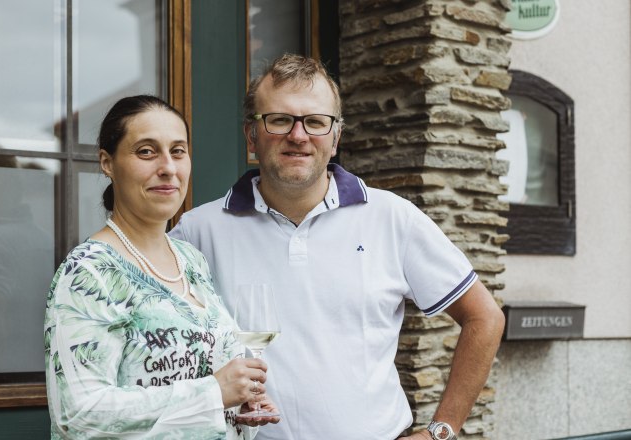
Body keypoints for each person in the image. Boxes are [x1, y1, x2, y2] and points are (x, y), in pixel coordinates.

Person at [170, 54, 506, 440]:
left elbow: (485, 317)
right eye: (279, 120)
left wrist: (442, 430)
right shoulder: (198, 232)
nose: (298, 136)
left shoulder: (392, 217)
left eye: (315, 122)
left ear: (335, 138)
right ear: (251, 135)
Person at [45, 95, 278, 439]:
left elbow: (207, 386)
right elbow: (78, 415)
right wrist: (214, 393)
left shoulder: (191, 261)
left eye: (178, 151)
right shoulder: (89, 271)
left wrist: (238, 404)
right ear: (107, 163)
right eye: (146, 152)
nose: (168, 167)